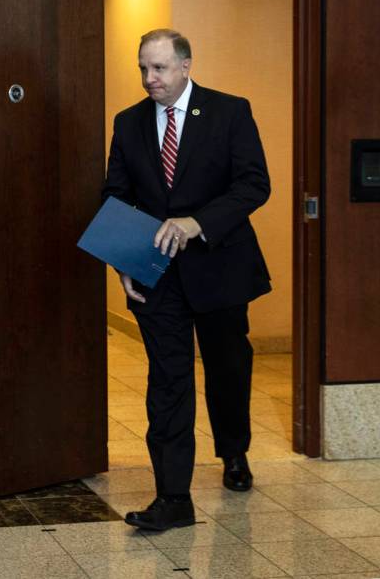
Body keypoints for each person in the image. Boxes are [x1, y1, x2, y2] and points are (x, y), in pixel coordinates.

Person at [104, 29, 271, 531]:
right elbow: (116, 196)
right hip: (158, 275)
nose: (149, 79)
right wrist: (126, 263)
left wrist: (199, 222)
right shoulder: (129, 123)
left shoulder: (229, 112)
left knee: (227, 367)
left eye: (158, 69)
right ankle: (173, 496)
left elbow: (254, 184)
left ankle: (234, 452)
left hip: (220, 266)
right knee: (168, 380)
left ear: (185, 66)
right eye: (142, 69)